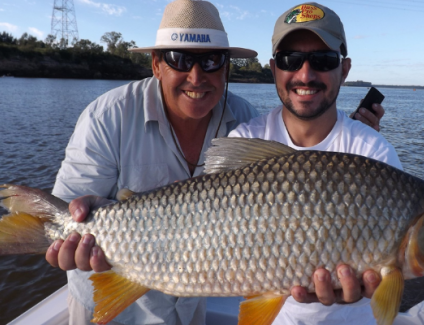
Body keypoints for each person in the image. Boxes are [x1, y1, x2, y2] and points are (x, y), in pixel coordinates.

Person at [44, 0, 383, 324]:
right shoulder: (107, 117)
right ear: (156, 65)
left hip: (190, 303)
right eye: (179, 59)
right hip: (113, 301)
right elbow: (63, 214)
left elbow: (290, 195)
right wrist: (73, 224)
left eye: (210, 61)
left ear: (226, 67)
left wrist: (350, 150)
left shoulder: (244, 122)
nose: (196, 76)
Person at [227, 2, 402, 325]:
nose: (305, 74)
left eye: (323, 60)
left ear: (345, 69)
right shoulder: (244, 140)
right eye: (290, 60)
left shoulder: (374, 152)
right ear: (273, 68)